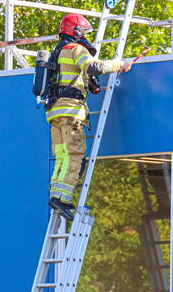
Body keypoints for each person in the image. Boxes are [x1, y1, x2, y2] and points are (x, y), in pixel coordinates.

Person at [46, 13, 136, 222]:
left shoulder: (57, 53)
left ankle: (56, 195)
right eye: (84, 31)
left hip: (55, 114)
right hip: (71, 113)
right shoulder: (76, 49)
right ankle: (64, 200)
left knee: (62, 156)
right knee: (75, 155)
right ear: (76, 32)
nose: (85, 35)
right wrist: (120, 64)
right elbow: (93, 67)